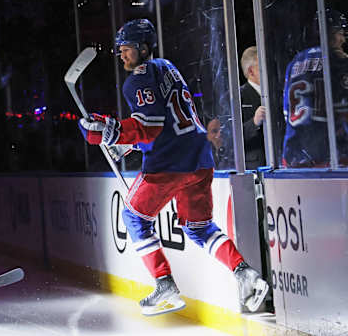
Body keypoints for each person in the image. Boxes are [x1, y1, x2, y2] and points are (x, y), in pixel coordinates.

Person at [78, 19, 269, 316]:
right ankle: (245, 274)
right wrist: (125, 140)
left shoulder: (137, 79)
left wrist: (110, 129)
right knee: (199, 227)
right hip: (198, 158)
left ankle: (164, 283)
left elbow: (150, 126)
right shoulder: (167, 67)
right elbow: (165, 121)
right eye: (120, 50)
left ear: (142, 48)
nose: (122, 55)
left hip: (168, 165)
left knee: (133, 217)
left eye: (126, 49)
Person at [282, 9, 348, 167]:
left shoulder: (295, 62)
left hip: (294, 154)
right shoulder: (339, 61)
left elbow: (286, 110)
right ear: (331, 34)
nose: (343, 40)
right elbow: (344, 110)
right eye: (340, 33)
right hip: (331, 155)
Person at [240, 46, 266, 169]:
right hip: (255, 167)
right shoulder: (237, 96)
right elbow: (230, 137)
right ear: (251, 71)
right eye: (263, 65)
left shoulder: (275, 93)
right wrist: (254, 122)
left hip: (280, 164)